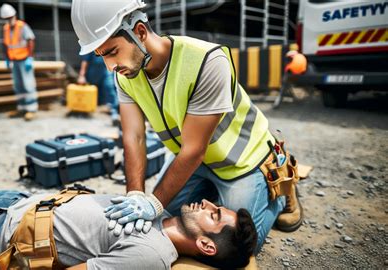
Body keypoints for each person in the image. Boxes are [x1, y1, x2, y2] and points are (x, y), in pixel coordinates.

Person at [70, 0, 303, 252]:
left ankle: (281, 191)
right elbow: (134, 137)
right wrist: (136, 196)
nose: (109, 66)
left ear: (139, 31)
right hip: (195, 162)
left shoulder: (206, 61)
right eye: (101, 56)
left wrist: (154, 202)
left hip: (241, 162)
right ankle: (214, 196)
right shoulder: (125, 75)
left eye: (112, 52)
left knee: (234, 246)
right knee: (162, 221)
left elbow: (194, 149)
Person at [0, 188, 257, 269]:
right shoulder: (161, 211)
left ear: (207, 246)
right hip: (15, 199)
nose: (209, 204)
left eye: (215, 216)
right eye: (216, 206)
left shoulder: (152, 254)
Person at [0, 3, 38, 121]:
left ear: (14, 16)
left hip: (24, 60)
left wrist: (30, 58)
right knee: (18, 85)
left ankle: (31, 109)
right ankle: (21, 108)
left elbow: (31, 40)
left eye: (10, 18)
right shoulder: (5, 29)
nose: (9, 20)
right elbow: (6, 45)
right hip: (14, 61)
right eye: (6, 19)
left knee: (28, 85)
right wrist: (7, 59)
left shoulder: (22, 26)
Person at [78, 52, 120, 126]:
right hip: (92, 73)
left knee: (109, 87)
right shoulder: (90, 46)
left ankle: (114, 113)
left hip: (106, 71)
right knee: (94, 97)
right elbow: (85, 61)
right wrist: (82, 75)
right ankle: (84, 114)